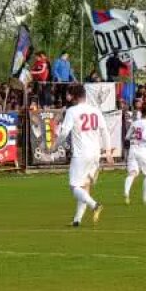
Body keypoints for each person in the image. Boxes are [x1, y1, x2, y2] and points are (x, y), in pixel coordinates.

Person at [57, 83, 114, 227]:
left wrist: (55, 145)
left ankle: (95, 205)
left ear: (74, 96)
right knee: (84, 186)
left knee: (74, 186)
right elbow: (105, 131)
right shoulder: (95, 110)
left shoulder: (72, 111)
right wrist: (107, 151)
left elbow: (64, 132)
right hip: (95, 154)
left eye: (69, 94)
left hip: (81, 153)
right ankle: (77, 220)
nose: (68, 97)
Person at [124, 107, 146, 205]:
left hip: (133, 149)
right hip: (143, 150)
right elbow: (144, 137)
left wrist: (135, 138)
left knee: (132, 173)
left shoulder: (135, 123)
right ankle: (145, 199)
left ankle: (126, 191)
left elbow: (127, 137)